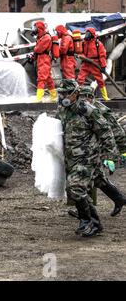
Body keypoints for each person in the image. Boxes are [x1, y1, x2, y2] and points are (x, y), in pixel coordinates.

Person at [56, 79, 117, 237]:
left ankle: (88, 221)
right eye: (60, 93)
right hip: (71, 157)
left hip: (88, 156)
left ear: (75, 94)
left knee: (75, 188)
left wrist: (109, 156)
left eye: (66, 94)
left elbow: (105, 131)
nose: (63, 97)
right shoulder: (63, 110)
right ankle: (94, 222)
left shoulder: (87, 110)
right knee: (80, 188)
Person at [77, 86, 126, 217]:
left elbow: (116, 130)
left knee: (83, 177)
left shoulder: (101, 110)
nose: (83, 100)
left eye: (85, 97)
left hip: (98, 149)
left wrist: (122, 151)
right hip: (85, 149)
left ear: (91, 97)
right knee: (97, 178)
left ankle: (86, 213)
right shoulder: (80, 109)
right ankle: (118, 199)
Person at [77, 27, 109, 101]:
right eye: (86, 33)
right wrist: (83, 57)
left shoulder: (98, 43)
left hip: (95, 63)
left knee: (100, 80)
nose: (86, 35)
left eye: (88, 33)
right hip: (86, 63)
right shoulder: (83, 43)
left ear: (92, 34)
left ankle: (105, 97)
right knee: (80, 79)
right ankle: (76, 96)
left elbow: (102, 56)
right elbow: (80, 52)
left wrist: (103, 66)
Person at [31, 21, 57, 103]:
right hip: (41, 58)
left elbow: (38, 49)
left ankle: (39, 98)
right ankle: (54, 96)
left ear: (39, 28)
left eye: (35, 28)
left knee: (41, 79)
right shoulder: (40, 37)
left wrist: (34, 50)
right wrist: (33, 56)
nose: (34, 29)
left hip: (44, 59)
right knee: (48, 79)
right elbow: (37, 50)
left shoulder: (46, 37)